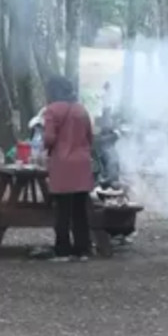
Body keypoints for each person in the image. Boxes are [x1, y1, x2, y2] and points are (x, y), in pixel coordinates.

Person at [42, 75, 95, 262]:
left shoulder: (52, 111)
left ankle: (62, 249)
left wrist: (45, 147)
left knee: (62, 209)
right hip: (82, 163)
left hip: (63, 164)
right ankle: (83, 248)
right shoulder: (81, 110)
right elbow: (90, 136)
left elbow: (49, 138)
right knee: (80, 209)